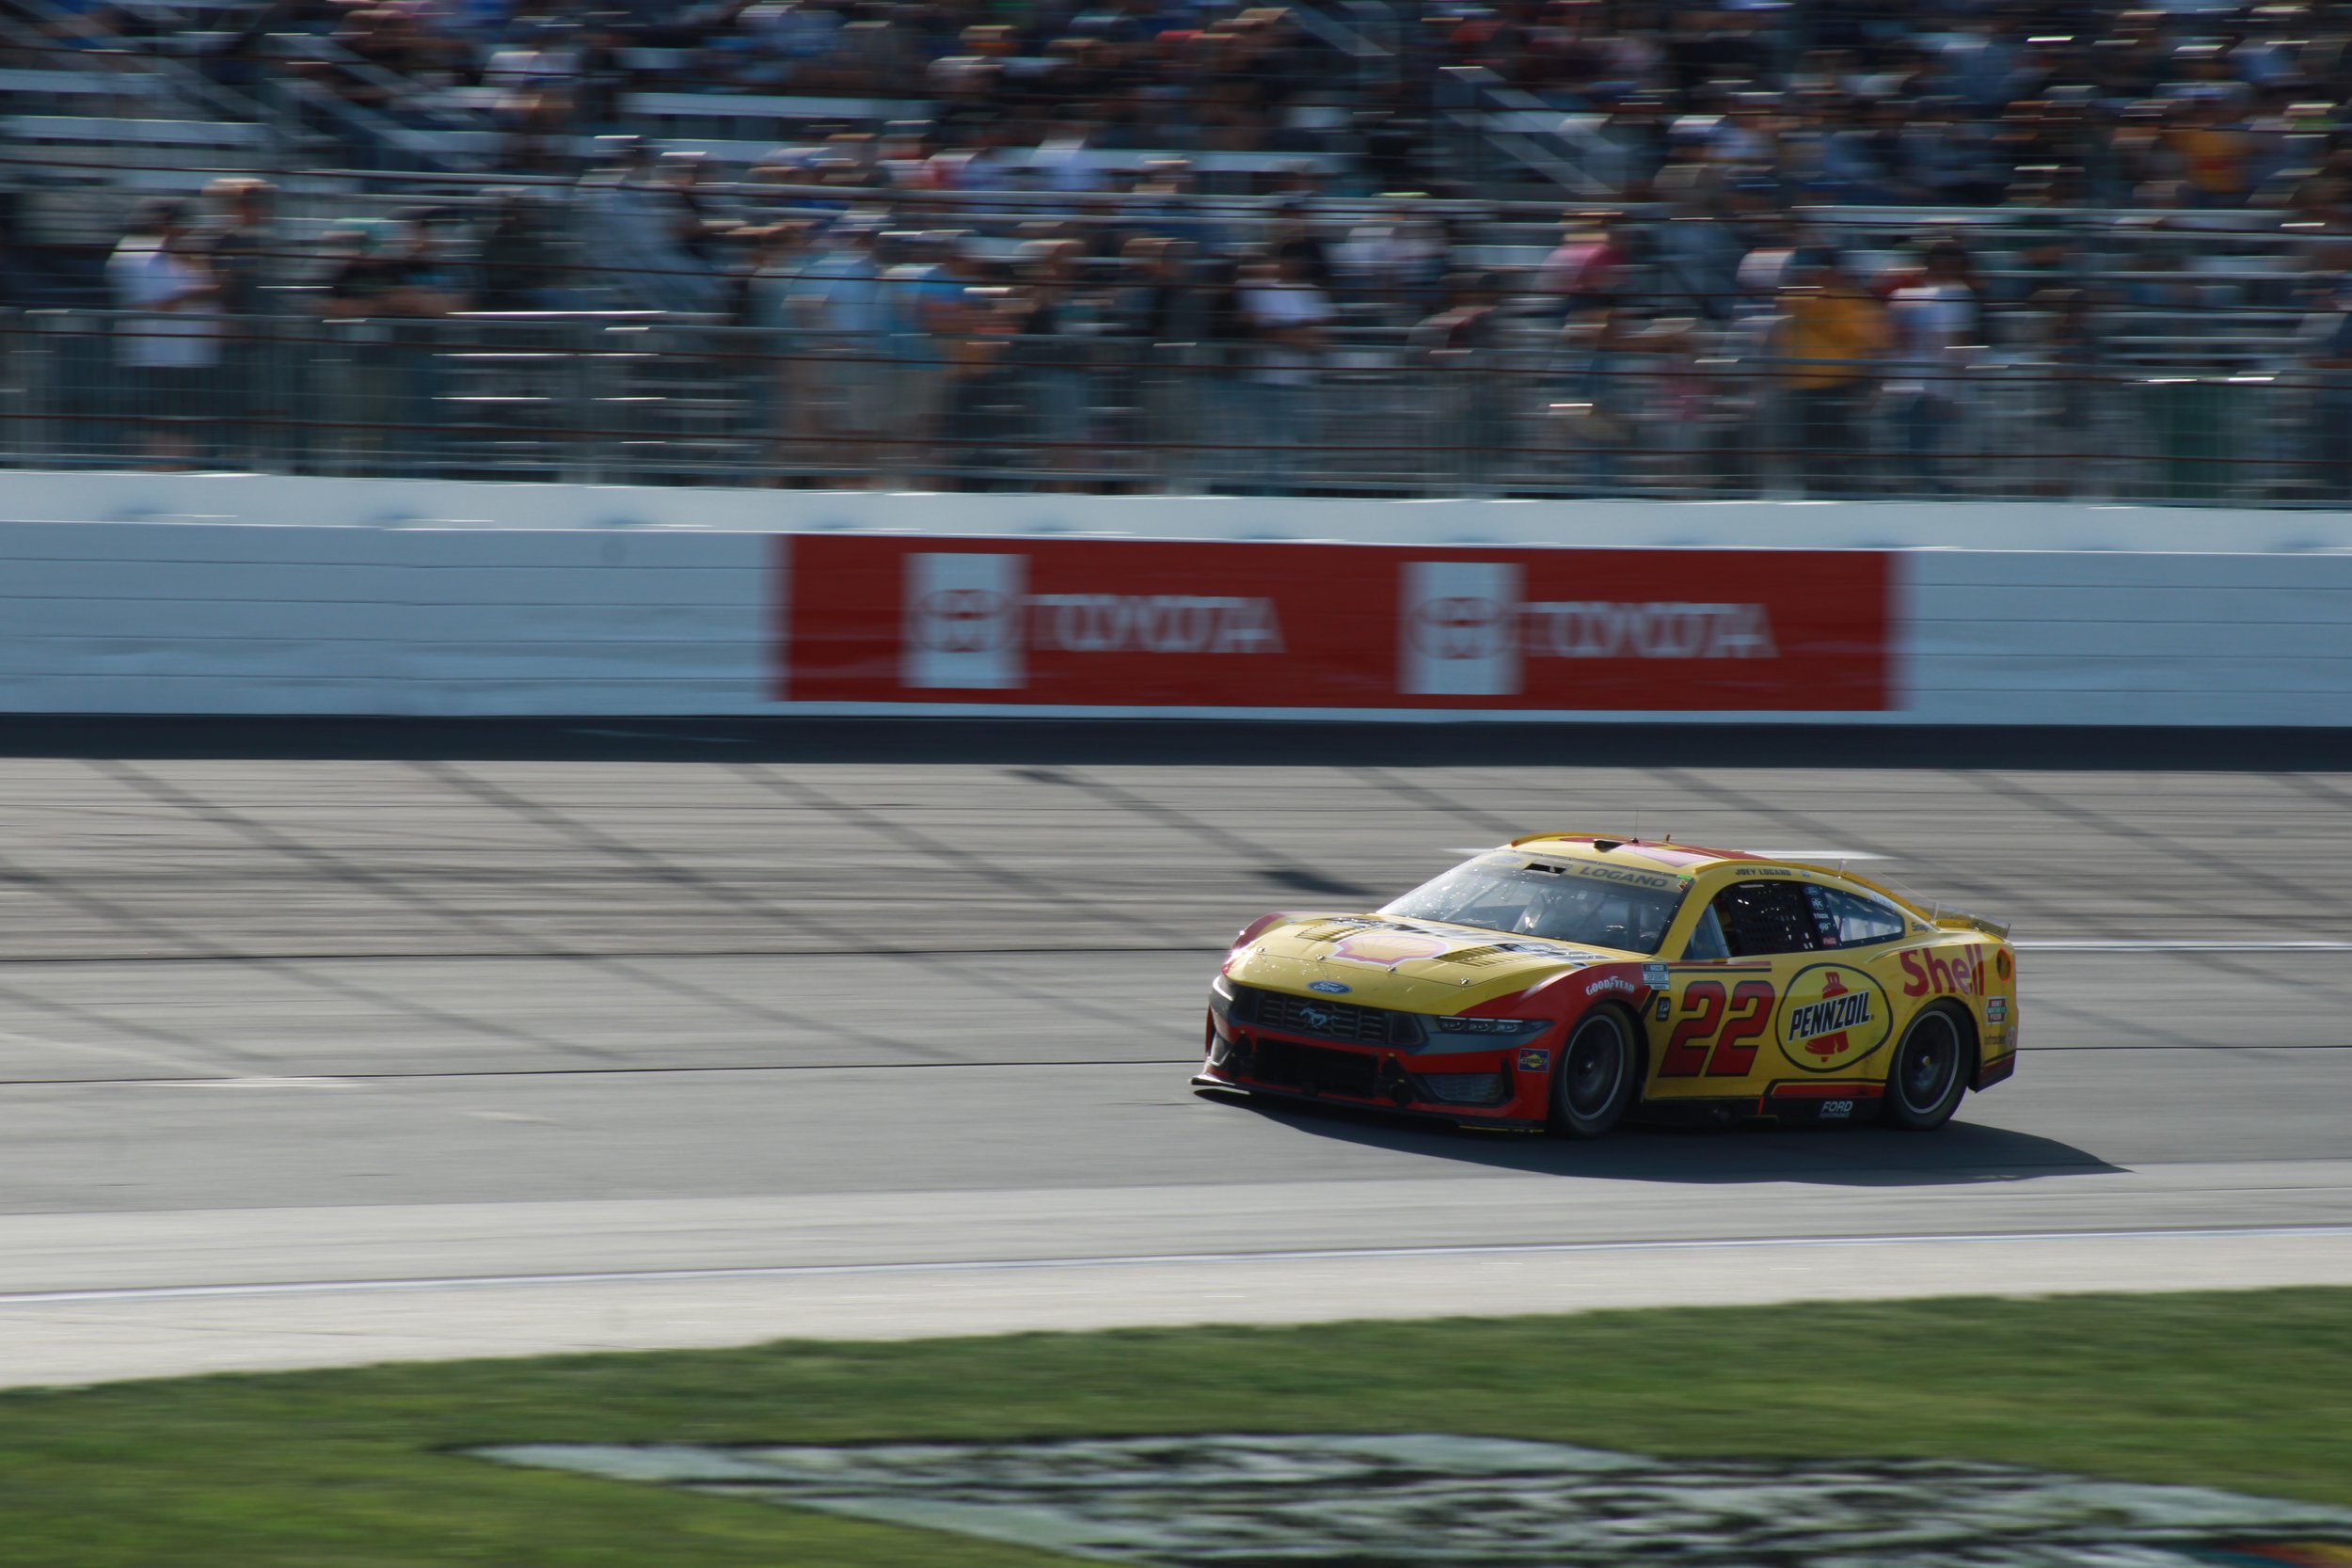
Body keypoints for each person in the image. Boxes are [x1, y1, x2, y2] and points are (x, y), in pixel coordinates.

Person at [106, 200, 221, 469]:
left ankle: (180, 470)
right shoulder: (133, 254)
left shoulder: (189, 255)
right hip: (151, 355)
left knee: (187, 421)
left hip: (191, 355)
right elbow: (155, 303)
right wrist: (200, 291)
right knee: (155, 419)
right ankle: (157, 471)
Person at [1775, 249, 1887, 497]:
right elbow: (1786, 302)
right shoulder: (1805, 299)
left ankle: (1847, 490)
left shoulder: (1857, 303)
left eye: (1826, 270)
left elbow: (1871, 344)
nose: (1821, 275)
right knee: (1809, 443)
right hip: (1803, 387)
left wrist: (1874, 384)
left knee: (1843, 442)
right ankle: (1814, 490)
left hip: (1843, 383)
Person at [1883, 240, 1979, 494]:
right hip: (1922, 385)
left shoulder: (1910, 295)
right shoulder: (1955, 296)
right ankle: (1929, 488)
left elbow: (1955, 347)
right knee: (1922, 447)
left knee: (1918, 446)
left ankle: (1926, 487)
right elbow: (1955, 347)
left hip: (1913, 385)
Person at [1236, 252, 1330, 492]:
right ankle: (1267, 495)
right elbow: (1261, 330)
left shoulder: (1308, 292)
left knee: (1294, 447)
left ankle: (1288, 494)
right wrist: (1291, 333)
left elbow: (1320, 338)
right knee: (1267, 447)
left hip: (1300, 384)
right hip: (1264, 384)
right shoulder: (1257, 292)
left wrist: (1284, 332)